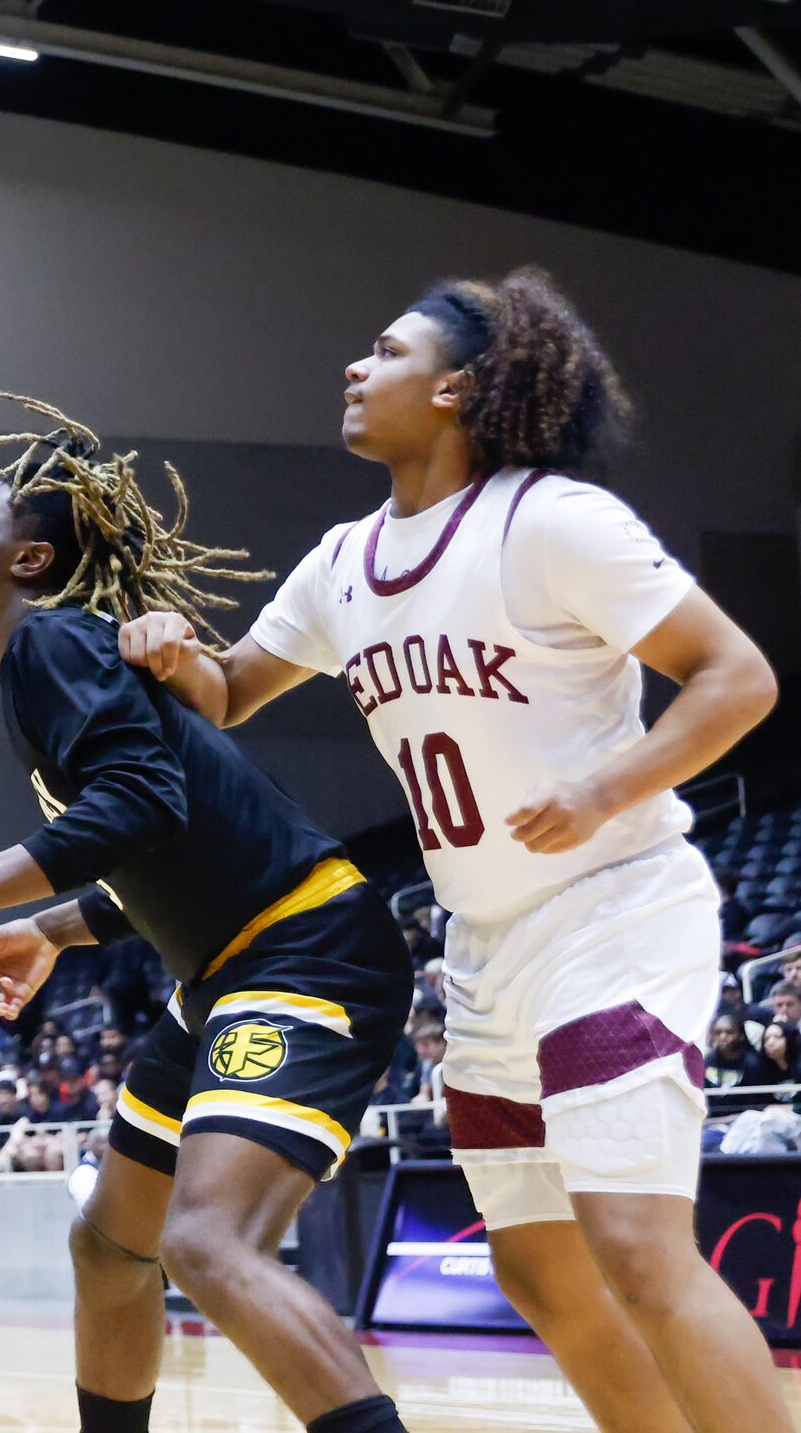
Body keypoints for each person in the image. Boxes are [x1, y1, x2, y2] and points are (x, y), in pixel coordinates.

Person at [120, 268, 785, 1433]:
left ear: (458, 389)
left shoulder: (551, 520)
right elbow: (227, 694)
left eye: (383, 351)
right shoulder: (343, 562)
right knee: (535, 1270)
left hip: (612, 907)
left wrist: (603, 787)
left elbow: (739, 677)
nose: (354, 367)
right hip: (484, 949)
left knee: (633, 1243)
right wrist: (174, 648)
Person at [0, 396, 417, 1433]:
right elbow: (161, 843)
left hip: (305, 956)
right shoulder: (58, 666)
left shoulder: (49, 647)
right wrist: (46, 927)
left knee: (205, 1244)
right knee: (107, 1242)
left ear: (28, 561)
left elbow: (138, 806)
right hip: (225, 970)